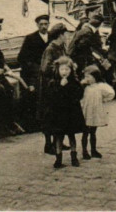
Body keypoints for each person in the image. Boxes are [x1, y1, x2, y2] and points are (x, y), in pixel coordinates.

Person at [43, 56, 85, 169]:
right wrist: (61, 86)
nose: (64, 72)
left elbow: (79, 94)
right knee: (59, 136)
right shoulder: (53, 83)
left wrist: (70, 88)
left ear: (71, 70)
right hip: (59, 114)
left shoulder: (74, 82)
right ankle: (58, 158)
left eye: (67, 69)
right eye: (62, 69)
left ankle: (74, 157)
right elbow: (51, 97)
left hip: (71, 113)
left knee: (71, 135)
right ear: (58, 70)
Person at [39, 22, 68, 154]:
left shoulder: (61, 48)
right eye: (65, 34)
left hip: (59, 86)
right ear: (60, 35)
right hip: (50, 87)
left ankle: (58, 142)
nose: (66, 36)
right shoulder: (50, 49)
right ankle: (48, 144)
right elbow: (45, 68)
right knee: (50, 116)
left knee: (60, 115)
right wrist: (61, 69)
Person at [17, 14, 51, 128]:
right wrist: (35, 67)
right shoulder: (30, 38)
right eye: (41, 24)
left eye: (46, 24)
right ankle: (34, 123)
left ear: (49, 24)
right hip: (33, 72)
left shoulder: (52, 37)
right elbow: (21, 58)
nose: (44, 27)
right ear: (37, 25)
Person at [80, 65, 115, 160]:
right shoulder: (84, 87)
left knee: (93, 132)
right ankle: (84, 151)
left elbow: (111, 93)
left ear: (95, 77)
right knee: (85, 132)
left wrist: (104, 99)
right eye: (85, 77)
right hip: (86, 111)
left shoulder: (100, 86)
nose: (87, 79)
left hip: (95, 112)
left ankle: (93, 150)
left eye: (89, 76)